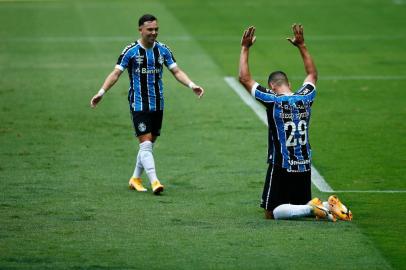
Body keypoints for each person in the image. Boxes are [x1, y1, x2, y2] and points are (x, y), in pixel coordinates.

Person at [238, 24, 352, 221]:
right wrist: (302, 45)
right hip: (304, 163)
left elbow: (244, 78)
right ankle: (328, 207)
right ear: (289, 84)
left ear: (272, 87)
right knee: (300, 205)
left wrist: (245, 48)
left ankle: (318, 208)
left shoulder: (272, 100)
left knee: (271, 213)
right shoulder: (305, 97)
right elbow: (312, 75)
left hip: (281, 163)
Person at [90, 14, 204, 195]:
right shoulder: (131, 51)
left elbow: (176, 71)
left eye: (156, 29)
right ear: (140, 30)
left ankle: (135, 178)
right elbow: (115, 74)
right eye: (150, 29)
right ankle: (155, 181)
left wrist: (192, 85)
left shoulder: (163, 50)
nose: (154, 33)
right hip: (139, 104)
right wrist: (101, 92)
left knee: (149, 144)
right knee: (145, 145)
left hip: (158, 104)